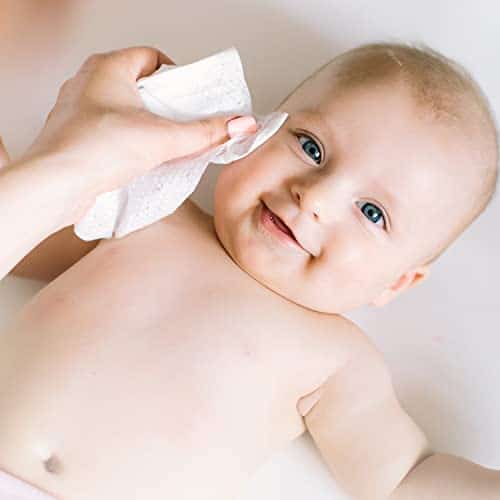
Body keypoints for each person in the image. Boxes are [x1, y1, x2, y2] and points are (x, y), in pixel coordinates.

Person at [0, 42, 498, 500]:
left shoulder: (336, 357)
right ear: (258, 126)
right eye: (311, 147)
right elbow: (21, 239)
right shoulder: (149, 206)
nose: (315, 197)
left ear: (398, 281)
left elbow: (405, 477)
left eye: (372, 212)